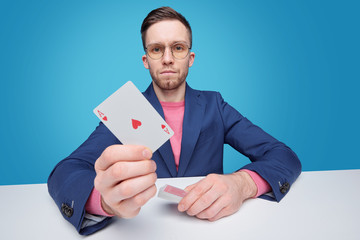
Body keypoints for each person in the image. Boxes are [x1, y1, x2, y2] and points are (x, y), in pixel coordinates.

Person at [48, 6, 301, 235]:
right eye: (157, 49)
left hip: (214, 229)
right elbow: (64, 172)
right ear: (146, 61)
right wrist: (103, 201)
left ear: (190, 58)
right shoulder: (127, 111)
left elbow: (283, 155)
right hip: (147, 232)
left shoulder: (215, 105)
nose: (167, 58)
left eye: (178, 47)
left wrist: (243, 183)